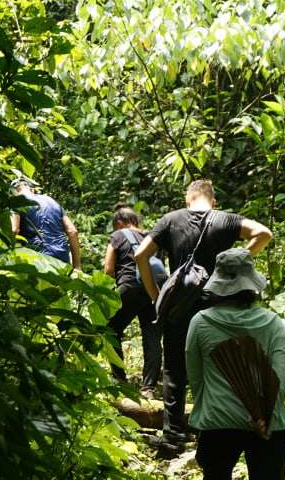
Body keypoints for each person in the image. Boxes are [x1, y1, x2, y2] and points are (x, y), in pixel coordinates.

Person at [134, 179, 272, 455]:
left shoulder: (171, 220)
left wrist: (154, 294)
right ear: (213, 201)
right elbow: (263, 233)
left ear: (188, 199)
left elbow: (140, 254)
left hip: (179, 308)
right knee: (218, 365)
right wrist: (237, 259)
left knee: (174, 368)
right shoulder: (226, 220)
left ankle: (173, 435)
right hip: (217, 304)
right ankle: (212, 430)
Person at [186, 248, 285, 480]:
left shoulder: (201, 323)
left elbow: (195, 376)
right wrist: (262, 414)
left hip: (217, 423)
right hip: (269, 426)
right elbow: (282, 375)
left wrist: (211, 409)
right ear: (251, 284)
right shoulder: (273, 324)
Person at [102, 205, 162, 397]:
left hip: (129, 287)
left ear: (119, 223)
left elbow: (108, 269)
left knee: (110, 331)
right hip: (154, 290)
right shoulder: (152, 237)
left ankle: (120, 381)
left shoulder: (118, 236)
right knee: (151, 336)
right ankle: (149, 388)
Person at [10, 177, 81, 269]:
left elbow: (14, 230)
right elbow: (72, 231)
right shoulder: (52, 201)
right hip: (62, 259)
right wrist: (77, 267)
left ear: (13, 193)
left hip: (37, 259)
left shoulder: (17, 202)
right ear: (32, 190)